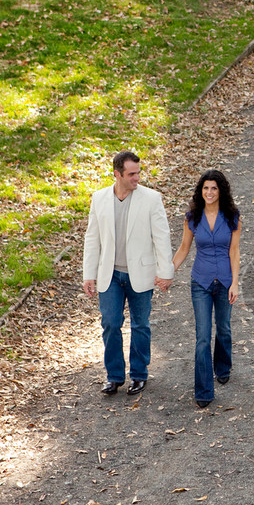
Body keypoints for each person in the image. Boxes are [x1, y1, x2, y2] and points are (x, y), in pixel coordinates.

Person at [83, 150, 174, 396]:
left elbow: (161, 237)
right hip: (110, 275)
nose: (137, 178)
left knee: (140, 325)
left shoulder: (151, 199)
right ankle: (114, 376)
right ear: (117, 174)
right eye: (132, 174)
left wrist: (166, 272)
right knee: (110, 324)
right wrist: (88, 274)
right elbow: (92, 238)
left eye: (138, 173)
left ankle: (139, 374)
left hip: (140, 273)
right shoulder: (100, 198)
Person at [172, 169, 241, 408]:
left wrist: (235, 282)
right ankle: (203, 391)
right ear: (200, 191)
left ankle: (222, 366)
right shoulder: (193, 217)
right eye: (205, 188)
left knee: (223, 329)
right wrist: (168, 271)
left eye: (214, 188)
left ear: (221, 191)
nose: (209, 192)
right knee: (202, 337)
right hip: (200, 282)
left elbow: (234, 251)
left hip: (224, 281)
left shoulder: (232, 216)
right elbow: (183, 248)